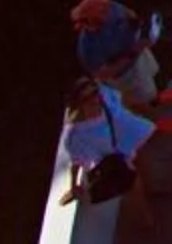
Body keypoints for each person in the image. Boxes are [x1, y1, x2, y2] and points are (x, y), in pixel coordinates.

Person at [61, 77, 163, 225]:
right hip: (116, 157)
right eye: (87, 97)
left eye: (94, 92)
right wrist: (73, 186)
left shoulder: (105, 96)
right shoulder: (77, 133)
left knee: (144, 167)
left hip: (130, 139)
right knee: (133, 187)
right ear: (78, 102)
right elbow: (76, 159)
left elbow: (122, 103)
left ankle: (152, 196)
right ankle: (147, 221)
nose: (94, 98)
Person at [72, 0, 172, 110]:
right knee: (139, 99)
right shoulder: (88, 47)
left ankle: (156, 100)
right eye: (103, 13)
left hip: (138, 52)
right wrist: (132, 52)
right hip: (123, 74)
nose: (109, 12)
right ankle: (150, 119)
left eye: (106, 8)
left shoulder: (110, 8)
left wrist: (139, 25)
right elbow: (102, 74)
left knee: (151, 76)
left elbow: (126, 12)